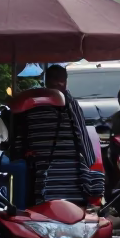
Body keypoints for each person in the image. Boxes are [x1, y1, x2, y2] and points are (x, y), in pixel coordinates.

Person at [43, 64, 105, 200]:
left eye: (61, 79)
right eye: (57, 79)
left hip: (42, 177)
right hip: (69, 176)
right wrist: (89, 163)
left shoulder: (36, 104)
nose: (60, 83)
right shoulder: (70, 104)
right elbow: (81, 134)